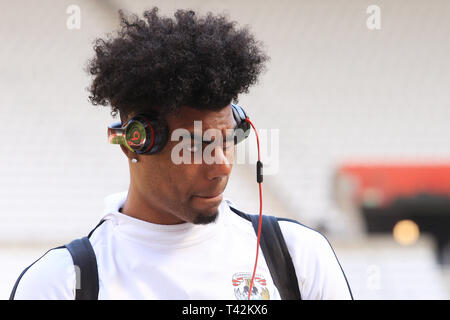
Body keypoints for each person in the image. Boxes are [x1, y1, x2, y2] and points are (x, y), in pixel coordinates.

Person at [10, 7, 352, 300]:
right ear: (135, 142)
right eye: (196, 145)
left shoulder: (297, 255)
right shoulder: (60, 284)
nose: (221, 165)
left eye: (228, 140)